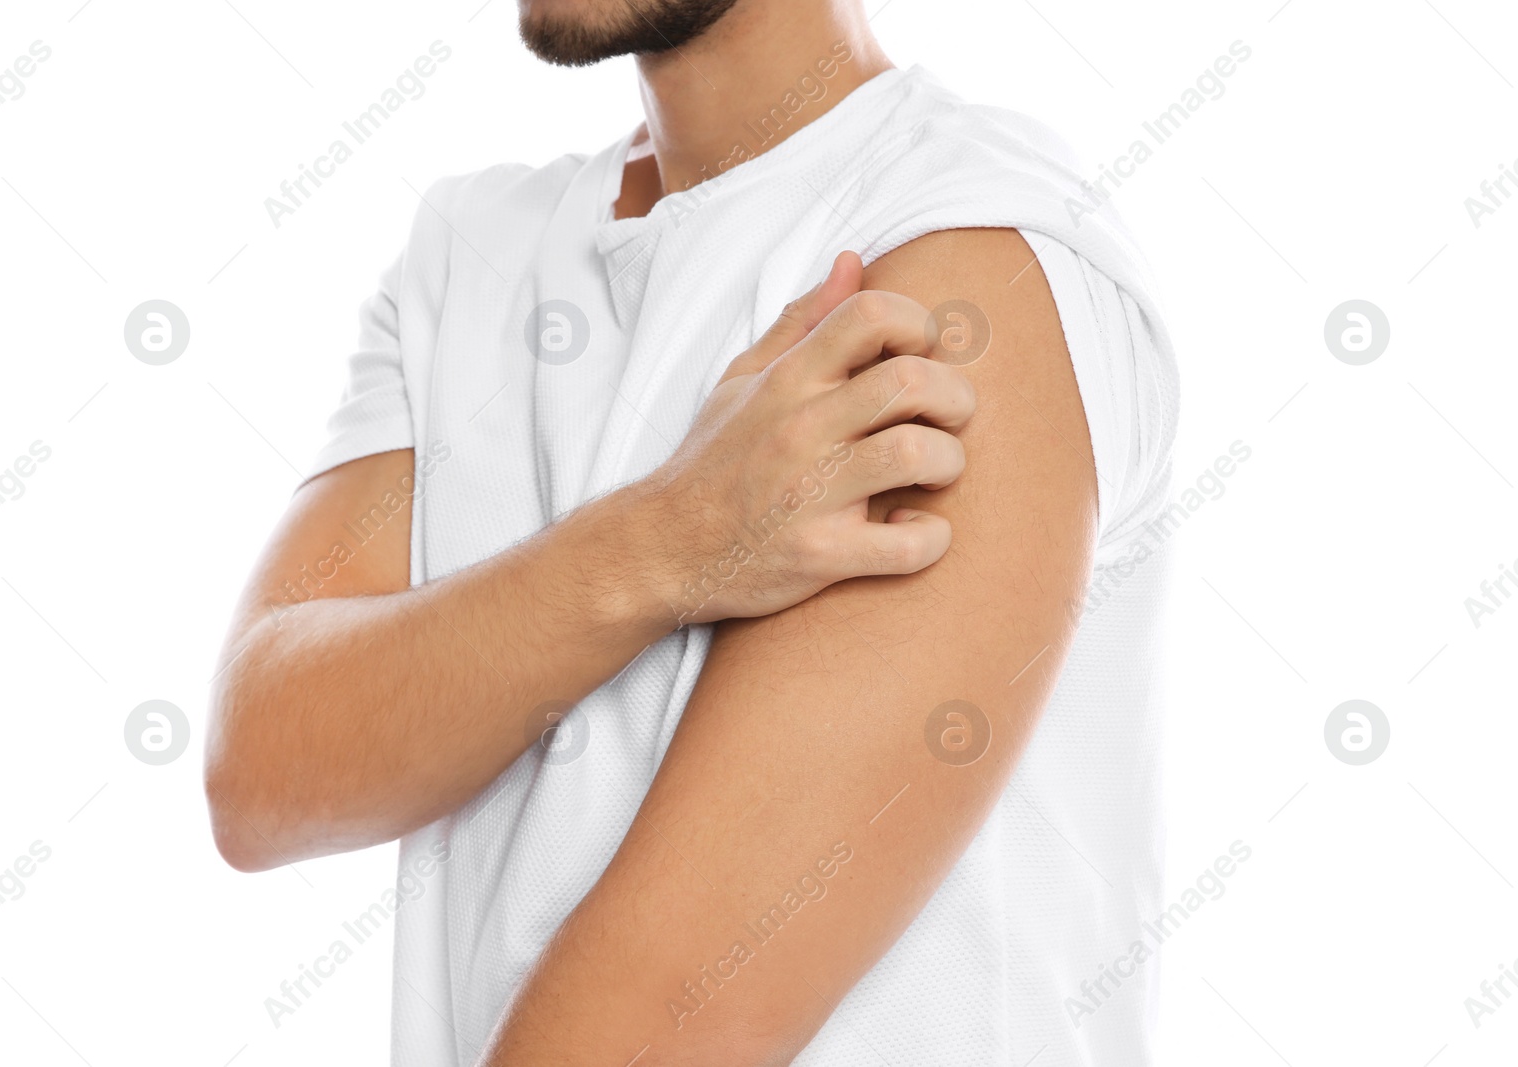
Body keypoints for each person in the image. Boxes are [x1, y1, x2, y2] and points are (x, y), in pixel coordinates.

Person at [205, 0, 1179, 1062]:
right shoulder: (466, 252)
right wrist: (665, 541)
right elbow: (262, 773)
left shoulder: (971, 248)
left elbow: (674, 1015)